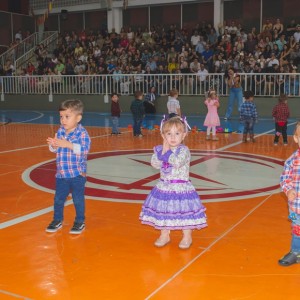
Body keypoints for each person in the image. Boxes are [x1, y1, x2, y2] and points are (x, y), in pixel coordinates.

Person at [139, 116, 207, 249]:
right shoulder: (160, 149)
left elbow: (176, 162)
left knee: (184, 213)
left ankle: (187, 236)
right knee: (164, 212)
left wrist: (167, 152)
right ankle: (165, 234)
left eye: (177, 133)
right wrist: (162, 151)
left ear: (184, 135)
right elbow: (155, 164)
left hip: (181, 188)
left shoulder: (184, 151)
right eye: (168, 134)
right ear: (163, 135)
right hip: (164, 187)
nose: (173, 137)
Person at [46, 99, 91, 234]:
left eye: (67, 116)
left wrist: (67, 144)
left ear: (78, 118)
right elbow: (56, 150)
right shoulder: (60, 131)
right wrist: (53, 145)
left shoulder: (82, 133)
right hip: (61, 174)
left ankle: (79, 221)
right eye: (61, 117)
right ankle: (57, 219)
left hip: (77, 174)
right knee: (58, 199)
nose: (63, 120)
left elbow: (84, 149)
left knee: (78, 199)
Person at [278, 122, 300, 266]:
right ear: (296, 139)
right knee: (296, 227)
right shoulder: (292, 160)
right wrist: (288, 190)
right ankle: (295, 252)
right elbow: (284, 178)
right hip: (295, 207)